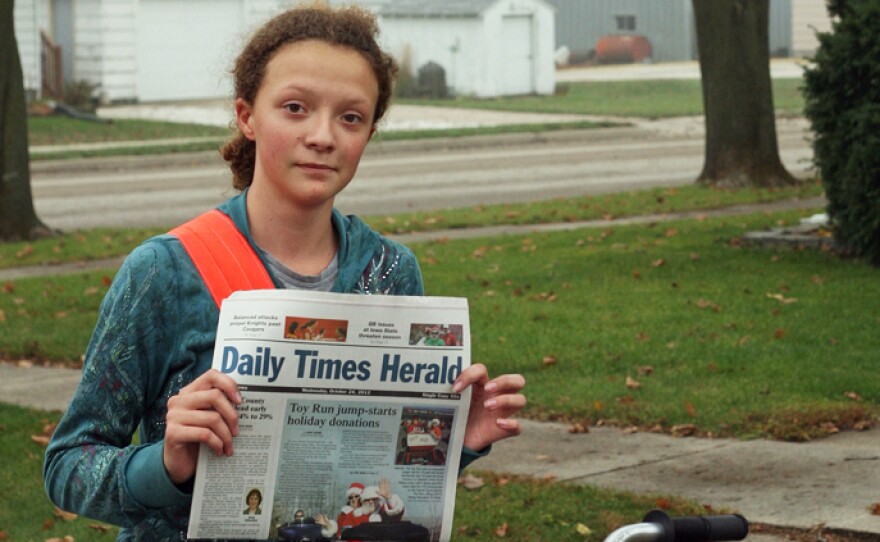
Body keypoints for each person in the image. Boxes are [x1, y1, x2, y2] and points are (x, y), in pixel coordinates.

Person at [43, 4, 526, 541]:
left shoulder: (389, 271)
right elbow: (66, 466)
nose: (323, 136)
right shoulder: (162, 272)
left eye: (350, 117)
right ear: (248, 116)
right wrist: (166, 463)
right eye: (295, 108)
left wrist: (460, 443)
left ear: (369, 131)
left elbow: (379, 481)